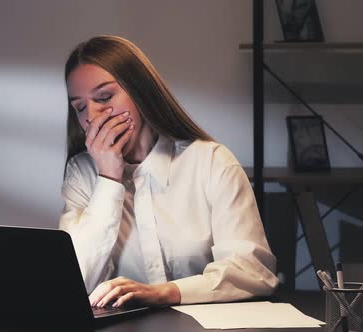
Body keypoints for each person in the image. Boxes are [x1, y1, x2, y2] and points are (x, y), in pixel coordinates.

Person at [59, 35, 279, 309]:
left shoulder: (211, 162)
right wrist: (109, 179)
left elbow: (252, 271)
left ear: (140, 92)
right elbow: (75, 283)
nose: (92, 115)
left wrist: (164, 293)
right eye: (80, 107)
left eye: (104, 96)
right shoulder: (81, 174)